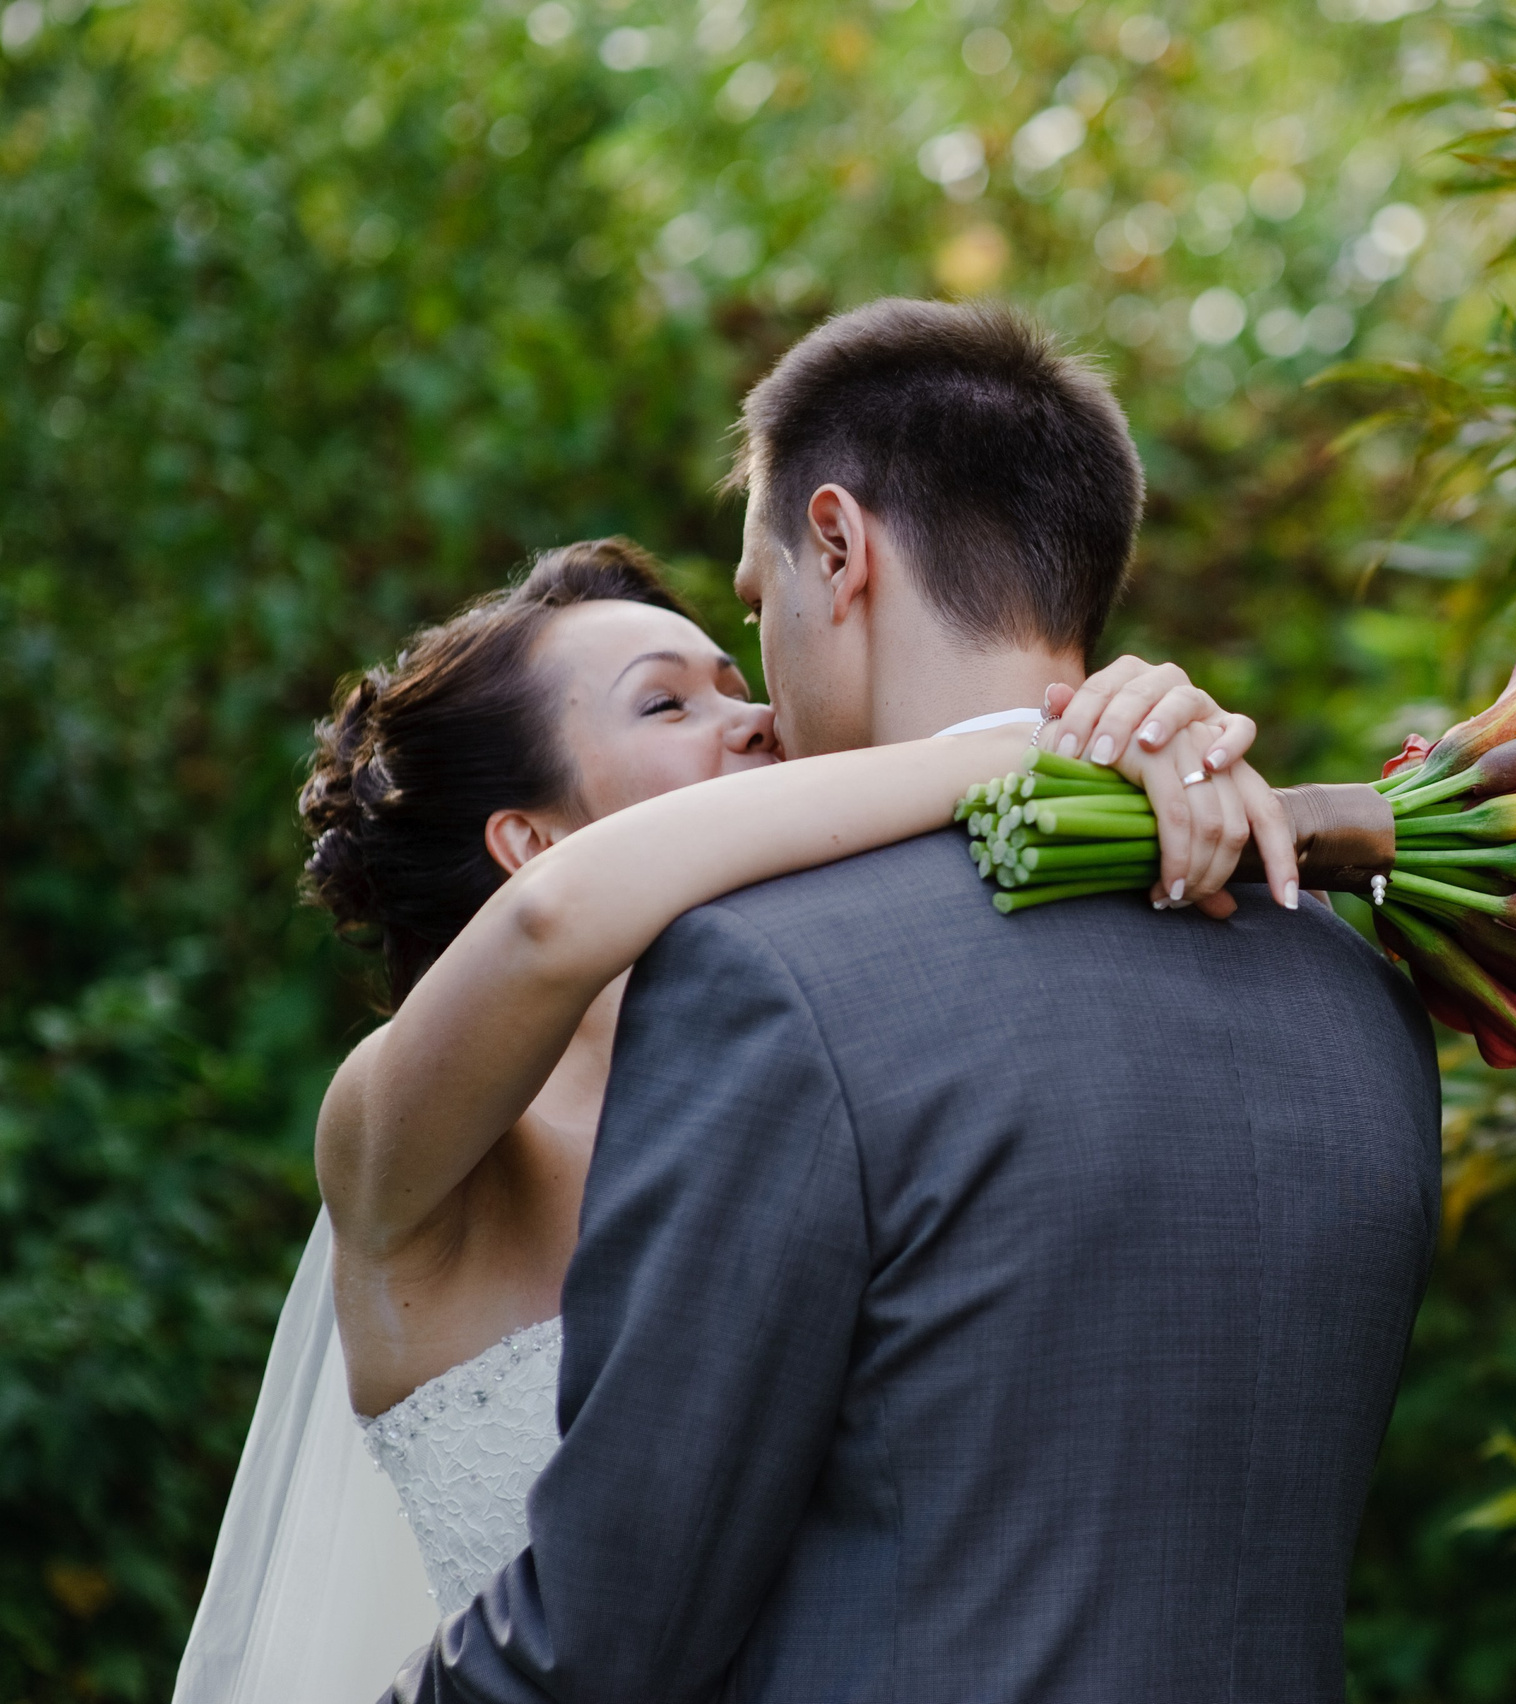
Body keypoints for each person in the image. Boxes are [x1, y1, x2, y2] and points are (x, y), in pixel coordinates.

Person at [387, 297, 1444, 1703]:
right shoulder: (1353, 988)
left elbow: (608, 1637)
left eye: (758, 617)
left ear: (838, 545)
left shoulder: (772, 978)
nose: (761, 701)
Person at [172, 529, 1280, 1704]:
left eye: (737, 683)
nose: (749, 718)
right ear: (530, 843)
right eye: (664, 707)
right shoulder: (399, 1142)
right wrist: (1009, 745)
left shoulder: (841, 1066)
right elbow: (556, 926)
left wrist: (1142, 733)